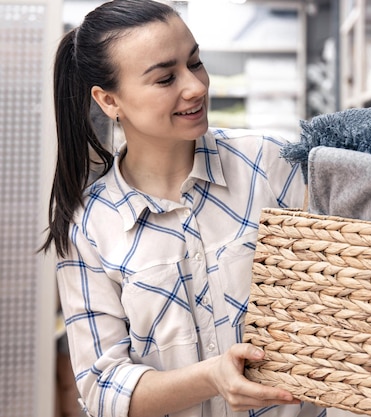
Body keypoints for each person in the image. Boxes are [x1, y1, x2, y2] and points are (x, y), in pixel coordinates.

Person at [40, 1, 323, 416]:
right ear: (108, 100)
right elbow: (104, 389)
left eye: (195, 63)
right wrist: (211, 377)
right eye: (166, 78)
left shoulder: (271, 165)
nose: (196, 87)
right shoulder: (89, 226)